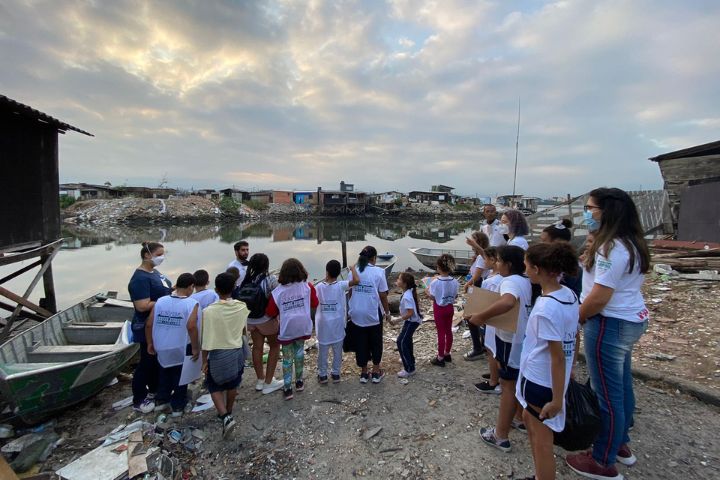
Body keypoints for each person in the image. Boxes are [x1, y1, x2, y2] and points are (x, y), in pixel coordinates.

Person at [566, 188, 651, 480]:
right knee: (622, 386)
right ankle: (620, 444)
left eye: (591, 208)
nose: (587, 213)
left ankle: (602, 460)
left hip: (608, 324)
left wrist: (576, 318)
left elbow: (600, 295)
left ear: (608, 211)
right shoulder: (631, 242)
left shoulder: (611, 248)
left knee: (607, 395)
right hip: (629, 320)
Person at [517, 243, 580, 480]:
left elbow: (556, 356)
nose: (525, 271)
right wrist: (570, 369)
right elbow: (574, 336)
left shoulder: (546, 308)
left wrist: (556, 400)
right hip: (551, 379)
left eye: (527, 266)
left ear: (538, 269)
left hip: (541, 381)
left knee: (542, 441)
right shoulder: (569, 295)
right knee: (527, 418)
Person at [468, 245, 532, 453]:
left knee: (508, 386)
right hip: (522, 338)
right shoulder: (526, 280)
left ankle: (500, 435)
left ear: (508, 264)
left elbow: (507, 302)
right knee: (518, 381)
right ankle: (519, 418)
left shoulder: (510, 281)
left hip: (509, 339)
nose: (495, 264)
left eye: (498, 261)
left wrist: (481, 316)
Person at [201, 273, 249, 438]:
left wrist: (203, 360)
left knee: (214, 385)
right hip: (236, 350)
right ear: (234, 288)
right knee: (233, 383)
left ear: (216, 290)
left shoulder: (209, 311)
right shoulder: (242, 307)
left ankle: (225, 416)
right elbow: (243, 330)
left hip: (217, 352)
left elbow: (206, 339)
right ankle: (228, 410)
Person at [145, 273, 200, 417]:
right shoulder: (191, 303)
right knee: (181, 376)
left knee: (164, 372)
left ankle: (161, 401)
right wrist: (195, 347)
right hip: (180, 346)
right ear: (190, 287)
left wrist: (150, 342)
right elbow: (192, 326)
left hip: (161, 346)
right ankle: (178, 406)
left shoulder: (160, 301)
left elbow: (149, 324)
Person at [127, 241, 172, 414]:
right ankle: (138, 399)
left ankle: (154, 390)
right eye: (159, 254)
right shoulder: (139, 279)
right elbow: (142, 306)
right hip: (146, 326)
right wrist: (166, 301)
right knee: (146, 362)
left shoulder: (153, 272)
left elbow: (164, 288)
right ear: (147, 255)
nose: (162, 257)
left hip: (159, 325)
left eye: (163, 254)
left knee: (155, 361)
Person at [265, 258, 319, 400]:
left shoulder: (278, 292)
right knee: (299, 354)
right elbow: (315, 303)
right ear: (301, 271)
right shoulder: (308, 287)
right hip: (302, 326)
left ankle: (288, 388)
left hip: (287, 328)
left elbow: (270, 312)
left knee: (287, 359)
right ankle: (299, 382)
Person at [241, 254, 284, 395]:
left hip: (251, 320)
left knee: (257, 348)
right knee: (274, 346)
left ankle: (260, 379)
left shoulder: (246, 280)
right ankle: (269, 382)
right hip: (266, 319)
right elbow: (277, 297)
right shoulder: (270, 280)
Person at [348, 246, 391, 384]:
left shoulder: (353, 271)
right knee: (376, 342)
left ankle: (364, 373)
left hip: (356, 313)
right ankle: (376, 372)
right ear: (374, 258)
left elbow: (350, 293)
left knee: (361, 342)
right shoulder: (379, 272)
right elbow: (383, 295)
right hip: (372, 312)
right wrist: (387, 312)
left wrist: (353, 306)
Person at [315, 260, 360, 384]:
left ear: (327, 272)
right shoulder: (341, 285)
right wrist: (353, 269)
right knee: (337, 352)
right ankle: (335, 374)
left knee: (322, 353)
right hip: (337, 325)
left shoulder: (318, 287)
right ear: (339, 273)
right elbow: (356, 281)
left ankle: (323, 375)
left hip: (323, 326)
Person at [473, 247, 504, 395]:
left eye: (485, 259)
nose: (483, 261)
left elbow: (482, 303)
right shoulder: (505, 278)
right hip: (502, 320)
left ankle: (493, 382)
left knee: (492, 350)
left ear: (493, 260)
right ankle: (496, 374)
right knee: (497, 349)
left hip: (491, 320)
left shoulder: (491, 281)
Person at [428, 254, 459, 367]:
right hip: (450, 307)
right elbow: (455, 296)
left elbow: (433, 297)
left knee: (440, 332)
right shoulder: (455, 281)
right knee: (448, 330)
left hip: (439, 308)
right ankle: (447, 353)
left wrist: (427, 292)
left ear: (438, 267)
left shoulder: (435, 282)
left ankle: (440, 357)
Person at [463, 231, 490, 361]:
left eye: (473, 241)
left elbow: (477, 276)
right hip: (479, 286)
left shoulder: (481, 257)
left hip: (478, 286)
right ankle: (484, 344)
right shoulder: (480, 256)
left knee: (471, 317)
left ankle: (477, 348)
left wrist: (467, 285)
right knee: (479, 317)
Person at [540, 219, 582, 298]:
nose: (541, 244)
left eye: (544, 241)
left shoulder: (570, 268)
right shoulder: (550, 263)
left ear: (557, 242)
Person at [395, 273, 423, 378]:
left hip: (412, 321)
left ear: (405, 284)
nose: (397, 281)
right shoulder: (408, 292)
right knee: (407, 341)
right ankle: (409, 360)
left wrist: (397, 320)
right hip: (411, 321)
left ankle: (409, 369)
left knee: (401, 342)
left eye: (399, 279)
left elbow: (410, 313)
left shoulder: (407, 296)